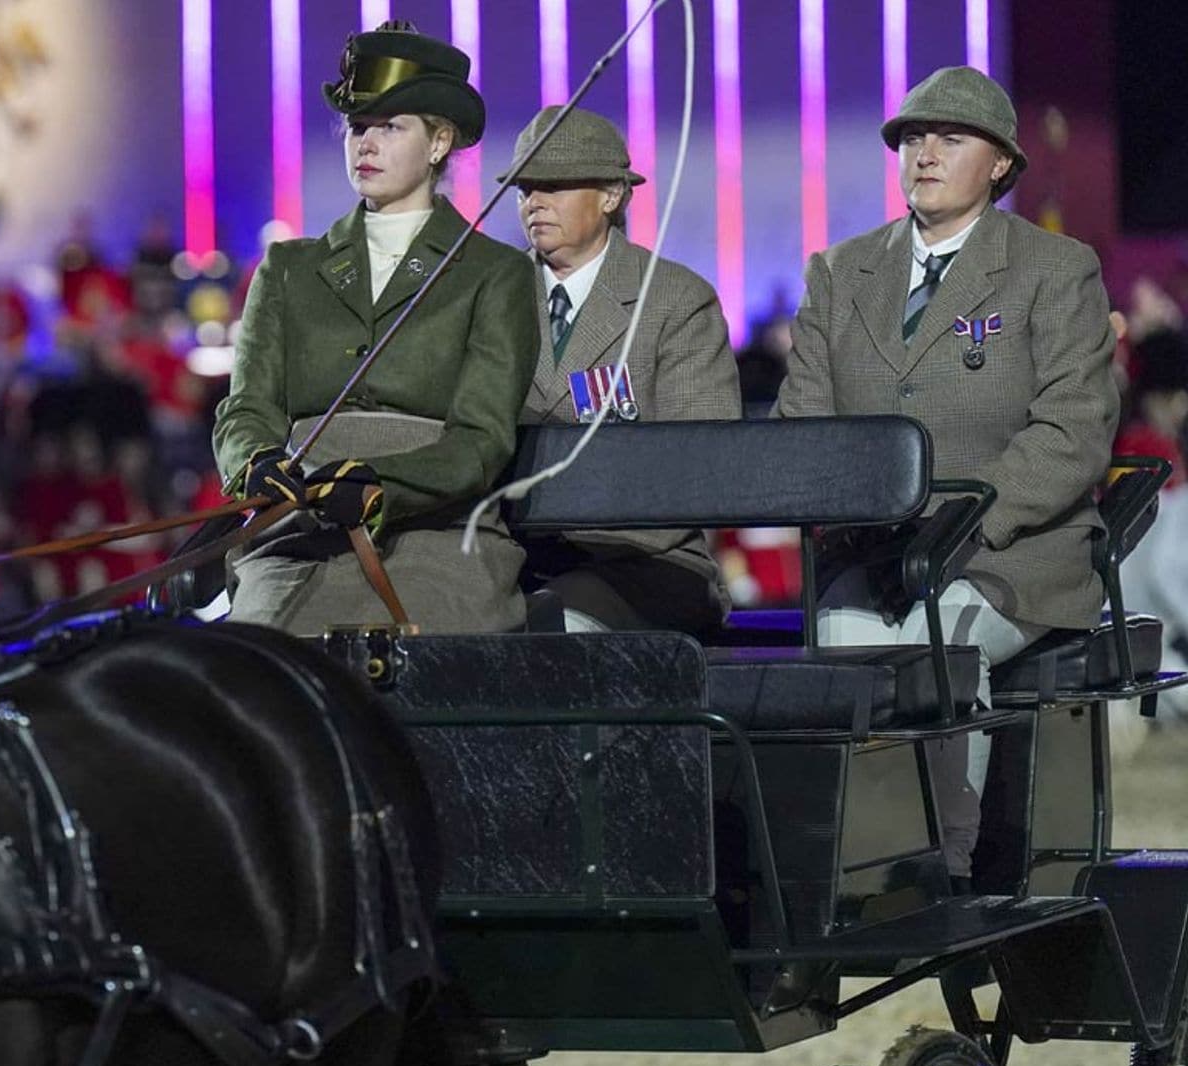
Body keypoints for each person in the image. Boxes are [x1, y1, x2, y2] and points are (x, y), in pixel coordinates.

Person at [775, 66, 1119, 887]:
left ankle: (944, 869)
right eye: (912, 139)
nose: (924, 154)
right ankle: (849, 872)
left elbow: (1072, 431)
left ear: (1000, 164)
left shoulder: (1054, 269)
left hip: (1011, 554)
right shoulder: (840, 272)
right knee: (846, 646)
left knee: (942, 647)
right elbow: (805, 427)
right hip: (874, 551)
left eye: (950, 139)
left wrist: (963, 525)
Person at [211, 21, 536, 633]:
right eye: (359, 126)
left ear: (439, 143)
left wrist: (381, 484)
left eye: (391, 127)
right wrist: (256, 460)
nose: (367, 143)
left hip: (436, 534)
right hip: (298, 529)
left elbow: (481, 441)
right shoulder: (287, 268)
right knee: (254, 665)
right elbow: (245, 407)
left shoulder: (496, 273)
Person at [501, 104, 741, 636]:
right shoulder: (491, 294)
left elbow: (699, 465)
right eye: (524, 189)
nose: (534, 203)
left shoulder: (676, 301)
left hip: (646, 562)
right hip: (508, 559)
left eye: (554, 187)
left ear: (611, 195)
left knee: (551, 624)